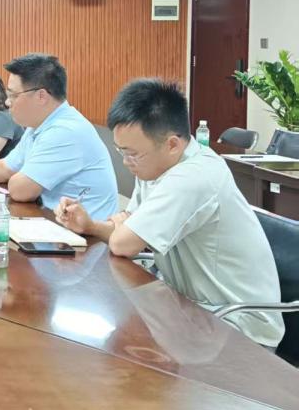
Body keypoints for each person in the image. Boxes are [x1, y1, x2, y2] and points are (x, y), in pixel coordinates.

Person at [56, 78, 284, 349]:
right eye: (121, 152)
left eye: (132, 154)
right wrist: (90, 226)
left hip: (237, 328)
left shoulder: (194, 176)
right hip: (190, 309)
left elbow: (124, 242)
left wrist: (122, 228)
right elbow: (129, 225)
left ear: (172, 144)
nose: (126, 162)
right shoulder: (156, 165)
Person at [0, 53, 118, 220]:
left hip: (83, 236)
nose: (7, 102)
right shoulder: (38, 125)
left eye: (13, 95)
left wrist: (17, 174)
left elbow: (20, 190)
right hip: (50, 219)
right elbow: (3, 167)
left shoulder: (65, 131)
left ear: (41, 96)